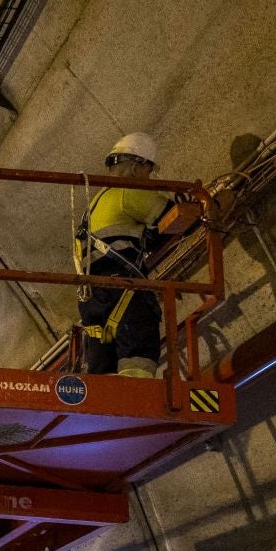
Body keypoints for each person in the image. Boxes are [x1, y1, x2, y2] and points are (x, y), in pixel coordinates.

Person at [74, 133, 173, 377]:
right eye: (149, 171)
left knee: (103, 375)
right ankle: (138, 406)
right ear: (136, 167)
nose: (149, 179)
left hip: (92, 300)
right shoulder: (128, 191)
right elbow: (172, 217)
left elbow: (131, 239)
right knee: (138, 357)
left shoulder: (95, 205)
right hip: (123, 291)